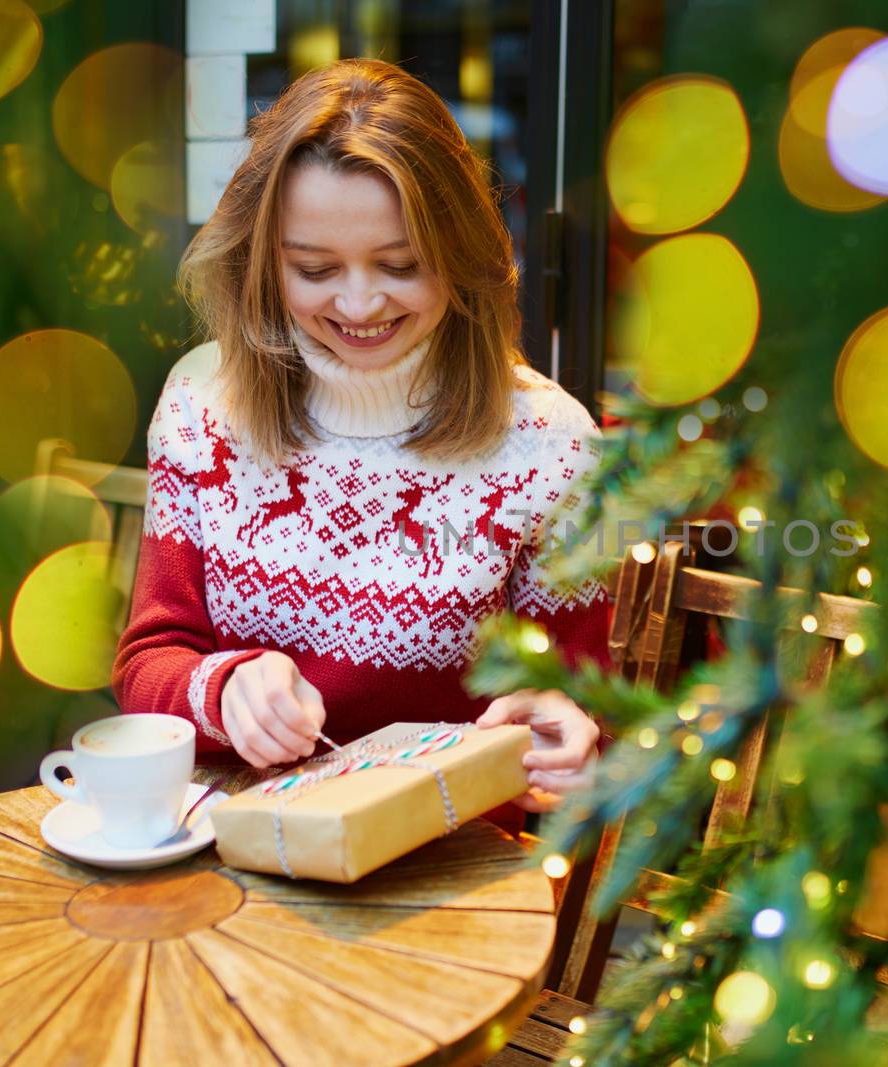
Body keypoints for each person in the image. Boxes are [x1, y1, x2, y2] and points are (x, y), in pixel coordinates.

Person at [112, 58, 611, 815]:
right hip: (236, 849)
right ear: (262, 263)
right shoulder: (200, 406)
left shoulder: (549, 445)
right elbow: (149, 663)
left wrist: (572, 732)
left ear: (461, 253)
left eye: (401, 264)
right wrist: (223, 688)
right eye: (314, 268)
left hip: (452, 866)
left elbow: (584, 699)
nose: (359, 301)